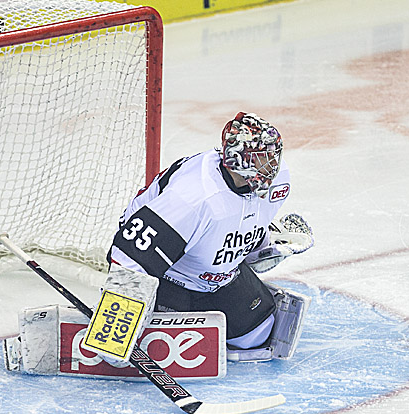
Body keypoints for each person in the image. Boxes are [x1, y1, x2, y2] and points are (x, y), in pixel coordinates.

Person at [81, 112, 314, 367]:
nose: (272, 165)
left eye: (273, 155)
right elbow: (130, 257)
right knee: (158, 345)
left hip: (216, 275)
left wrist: (263, 245)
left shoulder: (278, 180)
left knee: (256, 334)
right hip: (169, 274)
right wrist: (116, 331)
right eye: (261, 158)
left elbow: (244, 218)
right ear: (237, 158)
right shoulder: (192, 198)